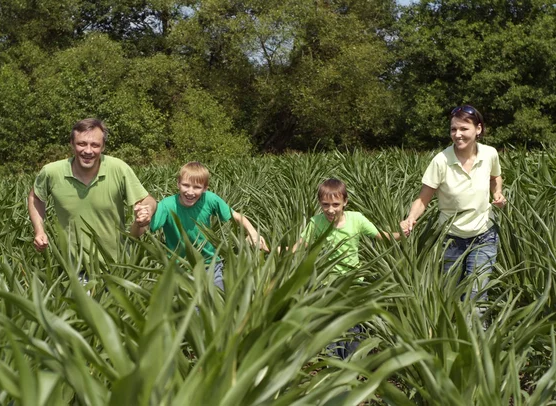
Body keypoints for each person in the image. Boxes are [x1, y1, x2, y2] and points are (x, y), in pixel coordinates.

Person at [400, 105, 506, 303]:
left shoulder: (490, 154)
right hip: (451, 239)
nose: (457, 134)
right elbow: (423, 198)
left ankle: (478, 332)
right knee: (451, 295)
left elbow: (495, 177)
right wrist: (410, 218)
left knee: (476, 295)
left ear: (478, 129)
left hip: (485, 234)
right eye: (453, 129)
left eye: (464, 129)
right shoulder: (441, 161)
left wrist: (497, 193)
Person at [292, 178, 401, 359]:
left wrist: (402, 233)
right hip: (327, 286)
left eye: (336, 204)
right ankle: (335, 370)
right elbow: (298, 247)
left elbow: (382, 236)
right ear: (319, 203)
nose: (330, 209)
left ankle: (351, 367)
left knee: (353, 328)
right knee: (330, 329)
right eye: (325, 204)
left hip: (353, 284)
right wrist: (272, 250)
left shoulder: (356, 219)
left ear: (345, 202)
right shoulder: (316, 222)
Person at [28, 118, 156, 262]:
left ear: (103, 147)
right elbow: (36, 197)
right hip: (73, 265)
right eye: (82, 144)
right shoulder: (52, 172)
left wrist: (148, 210)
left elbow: (147, 199)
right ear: (71, 144)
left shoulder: (119, 169)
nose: (88, 151)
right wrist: (39, 230)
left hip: (116, 264)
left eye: (95, 145)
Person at [131, 161, 269, 290]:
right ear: (178, 183)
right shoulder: (166, 205)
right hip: (178, 268)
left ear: (205, 188)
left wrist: (253, 233)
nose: (190, 192)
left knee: (216, 303)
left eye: (197, 187)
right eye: (186, 185)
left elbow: (237, 216)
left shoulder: (209, 199)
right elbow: (137, 233)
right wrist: (139, 221)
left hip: (210, 263)